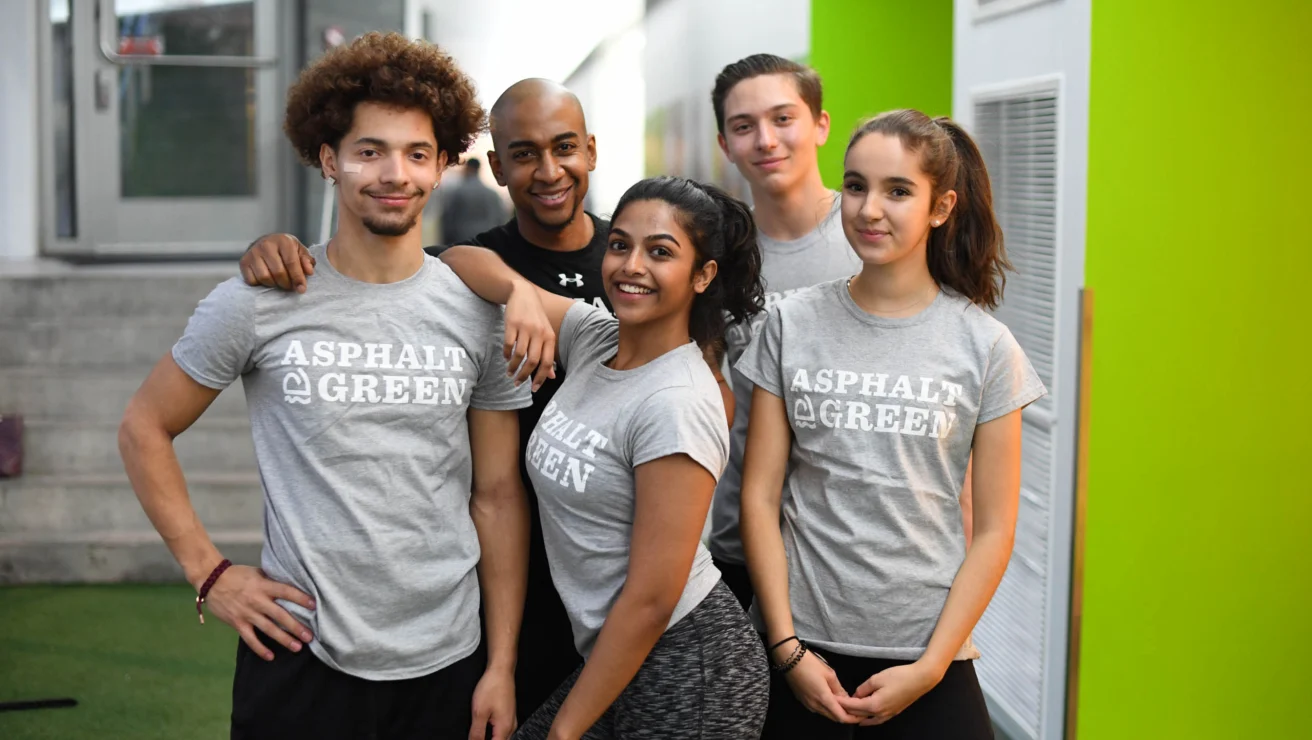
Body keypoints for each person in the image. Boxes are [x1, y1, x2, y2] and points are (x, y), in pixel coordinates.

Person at [235, 78, 736, 720]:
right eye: (523, 153)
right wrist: (517, 292)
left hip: (627, 582)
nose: (548, 170)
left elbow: (699, 410)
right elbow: (439, 264)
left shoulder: (640, 256)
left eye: (564, 148)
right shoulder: (472, 273)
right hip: (504, 579)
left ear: (591, 150)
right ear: (496, 167)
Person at [117, 32, 530, 740]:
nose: (394, 173)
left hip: (447, 659)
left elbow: (495, 497)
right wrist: (210, 573)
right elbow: (143, 428)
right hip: (298, 652)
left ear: (440, 168)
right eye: (370, 151)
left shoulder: (476, 311)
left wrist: (501, 665)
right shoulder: (259, 298)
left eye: (417, 153)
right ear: (329, 160)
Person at [738, 109, 1046, 738]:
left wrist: (932, 667)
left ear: (940, 207)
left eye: (897, 190)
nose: (869, 208)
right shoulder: (790, 324)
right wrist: (786, 649)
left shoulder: (986, 348)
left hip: (926, 660)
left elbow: (993, 530)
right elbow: (760, 494)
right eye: (855, 186)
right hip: (800, 652)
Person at [439, 176, 770, 738]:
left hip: (688, 667)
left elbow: (650, 598)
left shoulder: (678, 402)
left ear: (702, 275)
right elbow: (457, 259)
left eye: (659, 252)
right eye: (619, 244)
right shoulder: (596, 339)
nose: (630, 265)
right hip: (623, 651)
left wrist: (565, 732)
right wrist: (517, 293)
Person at [439, 158, 507, 245]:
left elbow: (448, 220)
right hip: (487, 242)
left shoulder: (458, 192)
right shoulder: (492, 194)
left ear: (468, 168)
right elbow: (501, 220)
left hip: (462, 241)